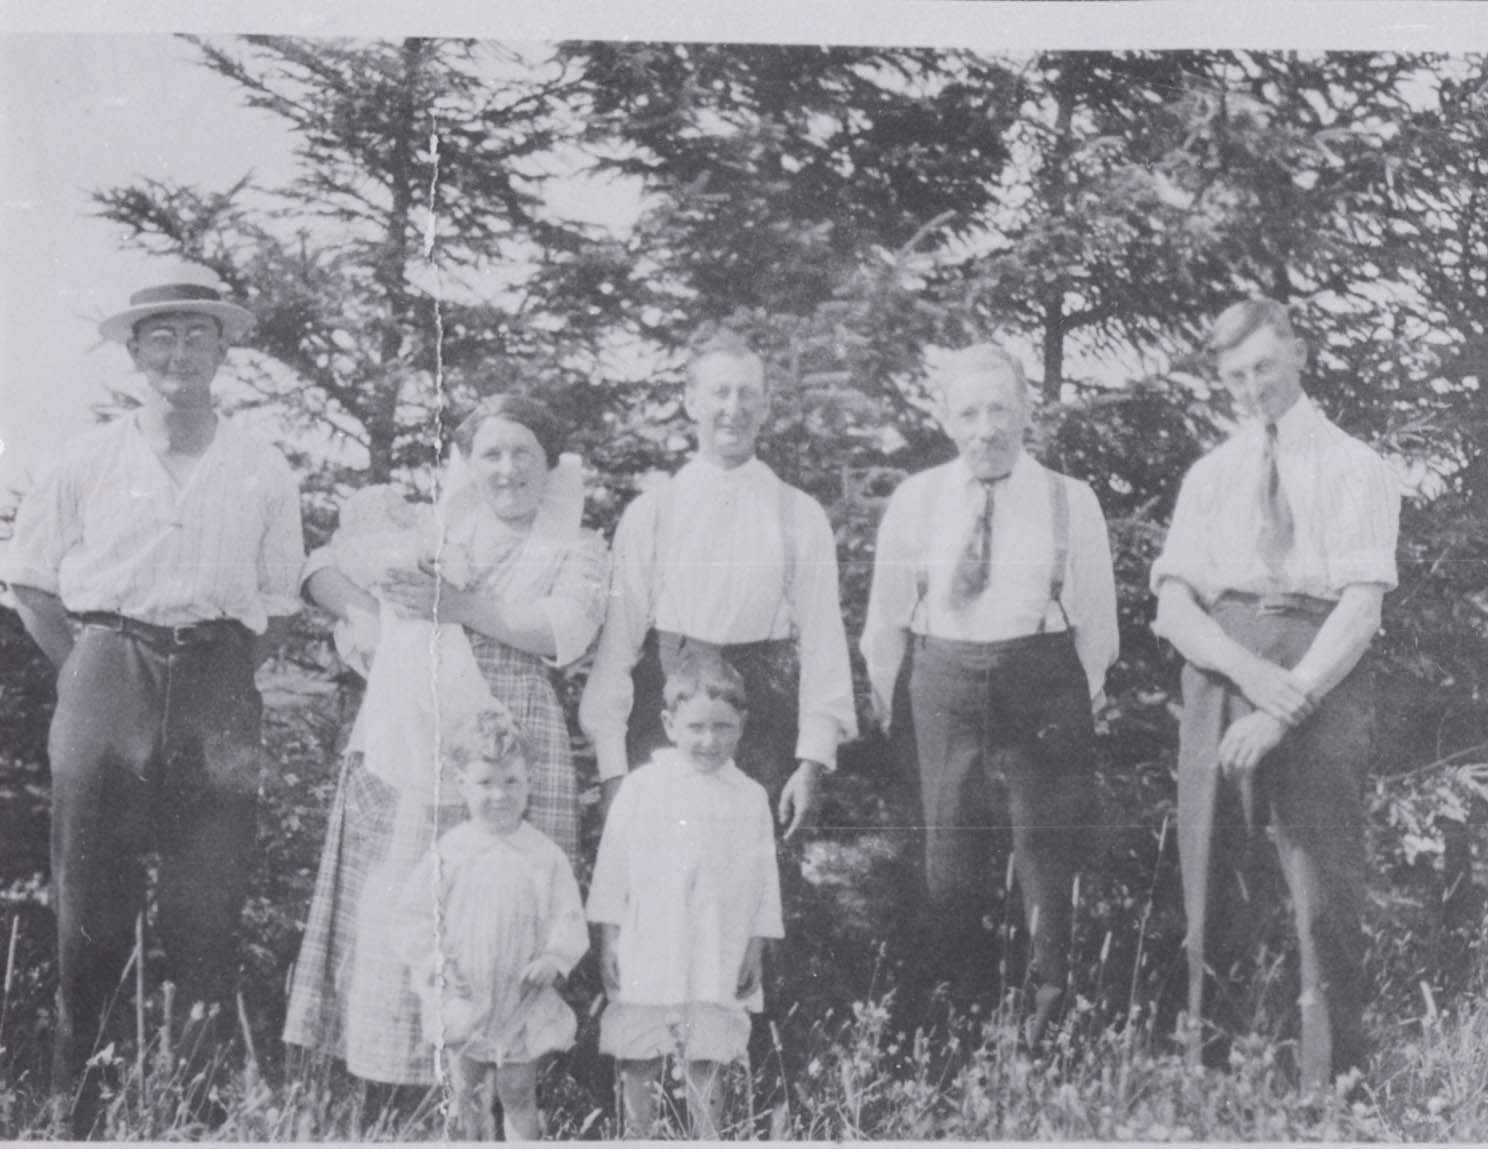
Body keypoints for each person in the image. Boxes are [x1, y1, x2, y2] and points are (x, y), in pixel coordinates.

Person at [3, 265, 305, 1130]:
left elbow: (280, 603)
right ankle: (79, 1114)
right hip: (106, 671)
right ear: (134, 352)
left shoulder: (262, 467)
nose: (180, 352)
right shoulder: (85, 459)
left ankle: (194, 1114)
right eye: (162, 336)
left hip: (217, 683)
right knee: (88, 913)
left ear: (224, 349)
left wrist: (217, 670)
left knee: (207, 911)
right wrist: (88, 670)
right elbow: (30, 583)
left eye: (198, 334)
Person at [283, 393, 608, 1093]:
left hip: (518, 734)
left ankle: (502, 1092)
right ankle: (399, 1086)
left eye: (523, 453)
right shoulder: (437, 528)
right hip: (425, 728)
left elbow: (565, 629)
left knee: (509, 904)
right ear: (467, 462)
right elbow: (317, 568)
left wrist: (456, 608)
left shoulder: (574, 544)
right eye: (491, 453)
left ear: (549, 464)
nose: (507, 469)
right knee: (408, 893)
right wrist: (369, 616)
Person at [1150, 297, 1400, 1091]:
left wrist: (1286, 702)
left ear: (1299, 352)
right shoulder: (1211, 475)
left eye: (1265, 365)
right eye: (1236, 375)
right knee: (1208, 883)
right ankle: (1212, 1083)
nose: (1253, 386)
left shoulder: (1355, 465)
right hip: (1222, 668)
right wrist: (1248, 677)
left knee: (1323, 896)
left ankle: (1335, 1089)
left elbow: (1361, 608)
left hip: (1319, 670)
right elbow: (1173, 606)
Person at [860, 343, 1118, 1045]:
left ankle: (1046, 1038)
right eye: (968, 413)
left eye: (999, 409)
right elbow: (884, 622)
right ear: (946, 420)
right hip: (941, 685)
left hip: (1042, 686)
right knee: (947, 866)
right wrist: (898, 703)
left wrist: (1068, 698)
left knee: (1045, 862)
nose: (985, 429)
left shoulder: (1071, 501)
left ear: (1026, 410)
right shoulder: (918, 500)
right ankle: (957, 1033)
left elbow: (1098, 627)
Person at [579, 328, 857, 836]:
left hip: (762, 721)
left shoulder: (799, 514)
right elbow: (617, 647)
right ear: (691, 402)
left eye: (747, 394)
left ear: (766, 406)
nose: (734, 408)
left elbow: (824, 643)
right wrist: (613, 769)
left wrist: (812, 761)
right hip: (664, 716)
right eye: (719, 393)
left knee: (755, 869)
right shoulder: (652, 512)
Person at [587, 651, 784, 1139]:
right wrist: (609, 937)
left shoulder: (750, 797)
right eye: (696, 727)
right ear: (669, 725)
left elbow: (765, 878)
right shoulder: (642, 788)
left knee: (707, 1053)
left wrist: (757, 944)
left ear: (742, 725)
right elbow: (612, 867)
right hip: (650, 945)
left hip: (718, 948)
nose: (709, 740)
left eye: (722, 727)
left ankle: (706, 1134)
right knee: (640, 1052)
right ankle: (637, 1135)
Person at [393, 707, 587, 1141]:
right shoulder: (451, 852)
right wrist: (435, 961)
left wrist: (554, 958)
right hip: (465, 994)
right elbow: (413, 917)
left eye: (511, 782)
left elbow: (568, 917)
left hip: (521, 999)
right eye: (485, 783)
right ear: (461, 783)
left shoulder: (544, 855)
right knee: (466, 1091)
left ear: (530, 782)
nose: (500, 795)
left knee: (518, 1090)